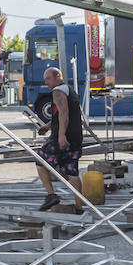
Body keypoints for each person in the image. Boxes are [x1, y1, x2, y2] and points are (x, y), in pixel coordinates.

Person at [37, 67, 85, 212]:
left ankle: (51, 195)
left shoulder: (58, 92)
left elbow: (64, 113)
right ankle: (79, 207)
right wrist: (48, 126)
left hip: (64, 138)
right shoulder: (69, 90)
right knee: (72, 171)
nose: (46, 82)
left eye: (48, 79)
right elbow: (62, 115)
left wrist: (61, 136)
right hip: (76, 137)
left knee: (40, 159)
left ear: (58, 76)